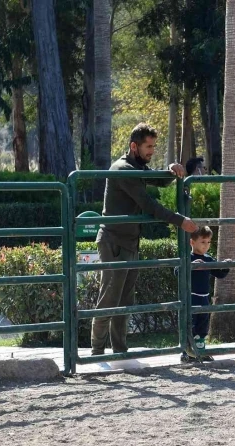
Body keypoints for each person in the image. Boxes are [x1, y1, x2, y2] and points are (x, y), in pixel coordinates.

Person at [92, 122, 198, 356]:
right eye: (148, 146)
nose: (151, 151)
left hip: (129, 241)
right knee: (110, 297)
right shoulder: (123, 169)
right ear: (134, 146)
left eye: (153, 146)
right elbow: (147, 204)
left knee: (124, 300)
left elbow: (158, 180)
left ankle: (119, 350)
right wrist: (180, 220)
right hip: (114, 241)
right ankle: (96, 352)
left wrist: (174, 169)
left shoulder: (136, 166)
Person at [177, 226, 231, 362]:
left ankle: (201, 351)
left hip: (204, 298)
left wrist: (225, 266)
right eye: (202, 242)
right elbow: (177, 272)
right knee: (190, 325)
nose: (206, 245)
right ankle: (187, 353)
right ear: (192, 242)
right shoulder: (187, 257)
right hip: (190, 298)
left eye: (208, 242)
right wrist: (191, 266)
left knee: (203, 326)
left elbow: (219, 274)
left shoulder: (208, 259)